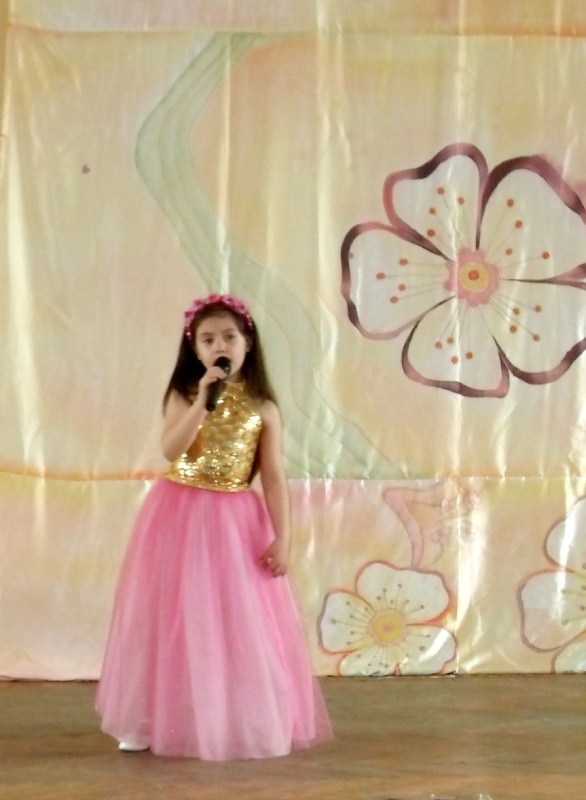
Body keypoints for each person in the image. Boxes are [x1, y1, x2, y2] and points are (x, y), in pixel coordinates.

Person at [96, 293, 332, 760]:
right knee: (171, 614)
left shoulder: (264, 408)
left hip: (235, 520)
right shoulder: (185, 395)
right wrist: (203, 402)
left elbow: (273, 478)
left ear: (248, 343)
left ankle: (241, 717)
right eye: (207, 340)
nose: (219, 345)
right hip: (178, 514)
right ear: (195, 348)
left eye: (228, 337)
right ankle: (149, 718)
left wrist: (284, 537)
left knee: (236, 620)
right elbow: (171, 450)